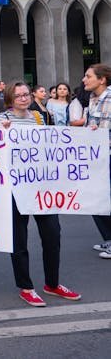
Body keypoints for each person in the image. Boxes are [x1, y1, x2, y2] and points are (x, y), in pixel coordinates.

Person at [0, 81, 80, 306]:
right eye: (18, 95)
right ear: (10, 98)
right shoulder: (0, 119)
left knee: (52, 234)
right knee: (18, 239)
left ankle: (52, 284)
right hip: (14, 188)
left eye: (26, 95)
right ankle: (26, 286)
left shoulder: (38, 117)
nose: (23, 99)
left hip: (40, 186)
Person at [82, 64, 111, 259]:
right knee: (96, 199)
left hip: (108, 156)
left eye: (88, 76)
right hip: (96, 157)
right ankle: (108, 238)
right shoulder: (92, 99)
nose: (84, 79)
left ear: (102, 79)